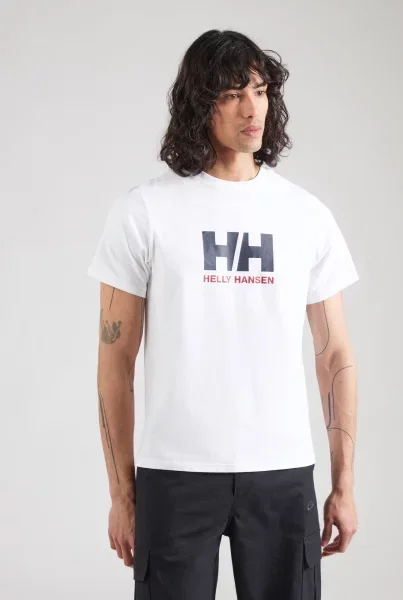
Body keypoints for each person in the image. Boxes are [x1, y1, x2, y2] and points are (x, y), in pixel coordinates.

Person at [87, 29, 359, 600]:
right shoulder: (144, 212)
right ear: (198, 102)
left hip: (283, 470)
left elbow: (334, 353)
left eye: (260, 91)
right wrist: (121, 493)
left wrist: (344, 482)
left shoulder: (305, 215)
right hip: (176, 472)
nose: (252, 109)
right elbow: (115, 359)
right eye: (233, 94)